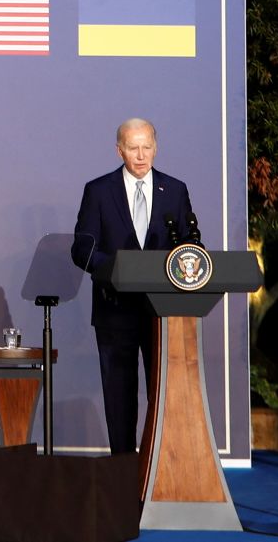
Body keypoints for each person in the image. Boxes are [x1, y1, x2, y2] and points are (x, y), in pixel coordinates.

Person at [71, 118, 193, 454]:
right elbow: (82, 249)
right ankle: (123, 472)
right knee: (119, 397)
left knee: (163, 394)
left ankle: (159, 470)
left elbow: (188, 246)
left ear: (156, 147)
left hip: (163, 312)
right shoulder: (98, 190)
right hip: (115, 311)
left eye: (147, 147)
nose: (141, 155)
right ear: (119, 149)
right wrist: (115, 269)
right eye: (133, 147)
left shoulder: (176, 190)